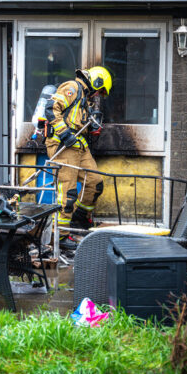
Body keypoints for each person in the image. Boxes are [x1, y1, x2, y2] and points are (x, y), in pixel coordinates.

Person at [44, 66, 112, 250]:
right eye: (99, 90)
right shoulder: (72, 88)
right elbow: (51, 109)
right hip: (63, 145)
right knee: (68, 192)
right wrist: (64, 133)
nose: (98, 94)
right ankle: (60, 236)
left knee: (95, 183)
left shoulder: (85, 98)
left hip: (78, 145)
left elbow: (77, 120)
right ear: (96, 82)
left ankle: (79, 218)